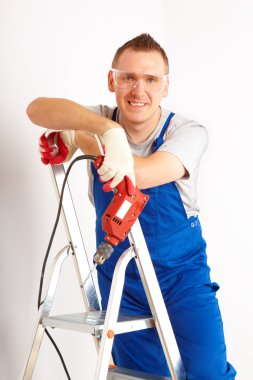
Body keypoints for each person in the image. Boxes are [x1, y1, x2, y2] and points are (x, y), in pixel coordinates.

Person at [27, 33, 236, 379]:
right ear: (112, 80)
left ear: (165, 86)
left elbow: (140, 173)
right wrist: (106, 130)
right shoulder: (102, 119)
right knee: (140, 376)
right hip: (122, 282)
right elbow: (37, 109)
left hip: (181, 278)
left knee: (209, 373)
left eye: (151, 80)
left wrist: (74, 137)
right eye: (128, 78)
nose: (139, 91)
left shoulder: (187, 132)